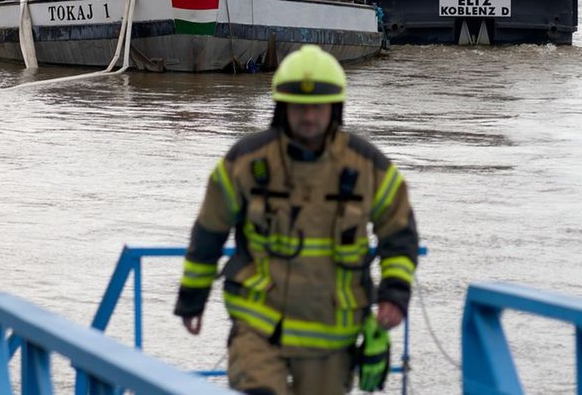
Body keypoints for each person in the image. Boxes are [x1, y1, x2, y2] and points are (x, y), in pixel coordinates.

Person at [175, 45, 418, 395]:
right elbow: (209, 232)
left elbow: (399, 234)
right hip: (258, 329)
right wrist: (192, 299)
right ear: (281, 107)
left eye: (318, 106)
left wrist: (395, 295)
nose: (308, 116)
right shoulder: (246, 162)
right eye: (299, 106)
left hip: (332, 336)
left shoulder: (368, 167)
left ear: (335, 108)